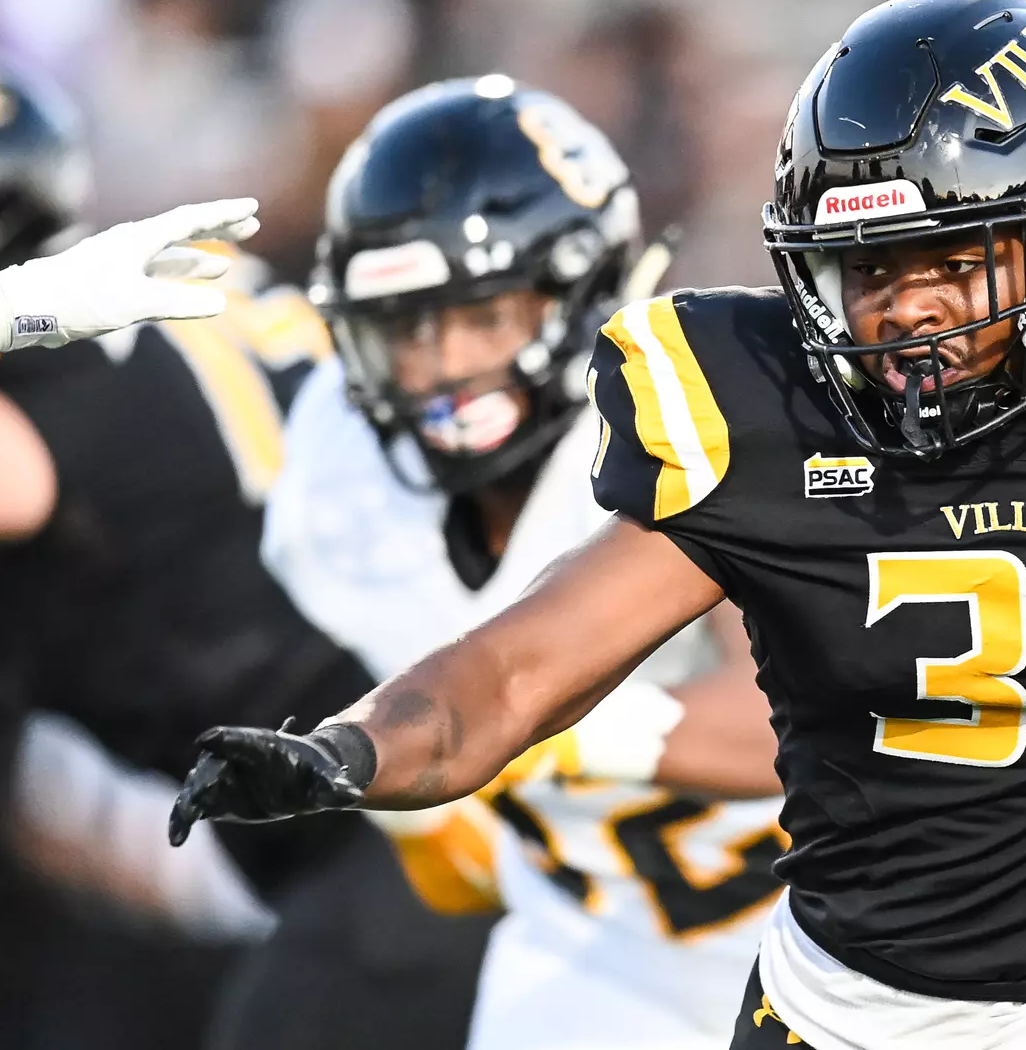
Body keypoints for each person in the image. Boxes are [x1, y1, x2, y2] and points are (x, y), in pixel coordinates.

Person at [169, 0, 1026, 1050]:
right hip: (840, 1005)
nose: (907, 311)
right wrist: (352, 750)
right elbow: (519, 667)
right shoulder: (764, 416)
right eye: (869, 272)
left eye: (950, 259)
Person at [228, 75, 782, 1050]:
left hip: (823, 920)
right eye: (409, 329)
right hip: (601, 944)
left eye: (486, 317)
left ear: (584, 290)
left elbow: (792, 714)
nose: (443, 366)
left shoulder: (698, 405)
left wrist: (528, 724)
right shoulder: (340, 474)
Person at [0, 59, 369, 1050]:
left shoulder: (54, 350)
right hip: (326, 767)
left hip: (382, 799)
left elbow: (8, 482)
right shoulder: (96, 293)